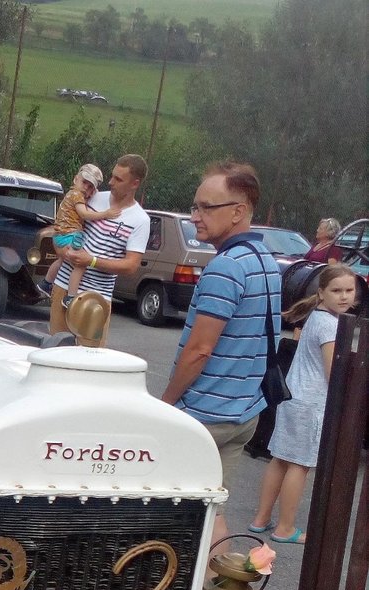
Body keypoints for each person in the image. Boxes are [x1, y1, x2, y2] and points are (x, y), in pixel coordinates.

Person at [161, 162, 281, 549]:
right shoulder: (265, 261)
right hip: (245, 411)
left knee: (167, 511)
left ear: (238, 211)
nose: (196, 217)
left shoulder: (225, 267)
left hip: (205, 416)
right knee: (213, 510)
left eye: (206, 208)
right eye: (195, 207)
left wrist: (165, 404)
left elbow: (199, 350)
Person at [248, 264, 358, 545]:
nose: (344, 296)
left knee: (281, 458)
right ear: (321, 293)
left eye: (349, 290)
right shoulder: (331, 325)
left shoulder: (317, 316)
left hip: (291, 397)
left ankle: (261, 519)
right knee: (300, 464)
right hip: (311, 403)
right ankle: (285, 528)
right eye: (336, 290)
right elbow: (334, 371)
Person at [47, 154, 149, 345]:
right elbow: (61, 229)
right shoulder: (90, 198)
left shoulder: (140, 220)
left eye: (118, 179)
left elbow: (131, 266)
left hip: (96, 299)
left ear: (134, 184)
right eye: (112, 176)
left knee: (89, 362)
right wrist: (63, 252)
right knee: (54, 352)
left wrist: (91, 261)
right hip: (63, 287)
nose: (110, 182)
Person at [40, 163, 121, 304]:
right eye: (84, 182)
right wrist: (105, 214)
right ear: (75, 179)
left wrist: (91, 194)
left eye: (91, 187)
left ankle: (46, 283)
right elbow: (84, 214)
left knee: (61, 261)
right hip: (69, 236)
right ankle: (70, 297)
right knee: (81, 264)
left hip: (60, 235)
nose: (86, 188)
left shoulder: (72, 194)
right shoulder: (76, 195)